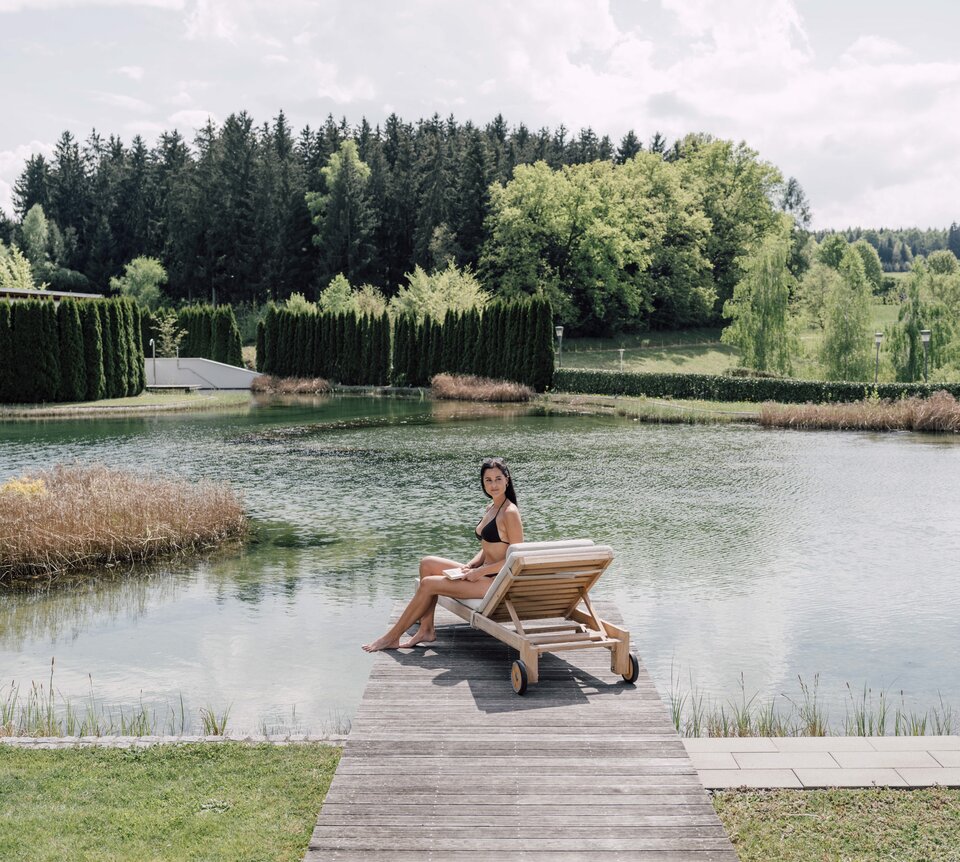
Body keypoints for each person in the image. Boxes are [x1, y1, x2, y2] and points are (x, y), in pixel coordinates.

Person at [361, 456, 524, 652]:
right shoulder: (492, 507)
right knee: (427, 563)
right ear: (483, 483)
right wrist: (472, 564)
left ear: (507, 479)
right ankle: (426, 629)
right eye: (488, 480)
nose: (494, 485)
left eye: (498, 479)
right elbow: (488, 545)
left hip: (495, 582)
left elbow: (515, 556)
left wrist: (480, 572)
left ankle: (391, 637)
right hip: (481, 573)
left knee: (428, 584)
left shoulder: (509, 512)